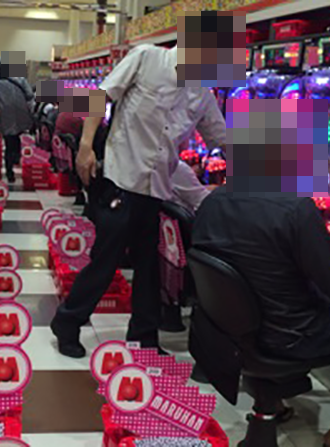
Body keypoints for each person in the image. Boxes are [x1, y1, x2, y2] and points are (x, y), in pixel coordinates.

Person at [192, 98, 330, 447]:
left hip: (231, 332)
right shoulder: (295, 208)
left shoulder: (213, 201)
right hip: (292, 332)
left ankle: (272, 403)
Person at [50, 41, 227, 358]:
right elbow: (100, 96)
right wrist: (86, 147)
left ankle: (144, 337)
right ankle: (67, 323)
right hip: (122, 178)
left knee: (148, 268)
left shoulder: (202, 92)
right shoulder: (147, 58)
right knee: (106, 261)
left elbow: (222, 137)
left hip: (156, 189)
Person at [0, 66, 35, 183]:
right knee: (17, 139)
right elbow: (30, 95)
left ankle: (9, 171)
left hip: (6, 117)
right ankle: (17, 158)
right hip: (21, 115)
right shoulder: (22, 80)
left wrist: (4, 103)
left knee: (8, 143)